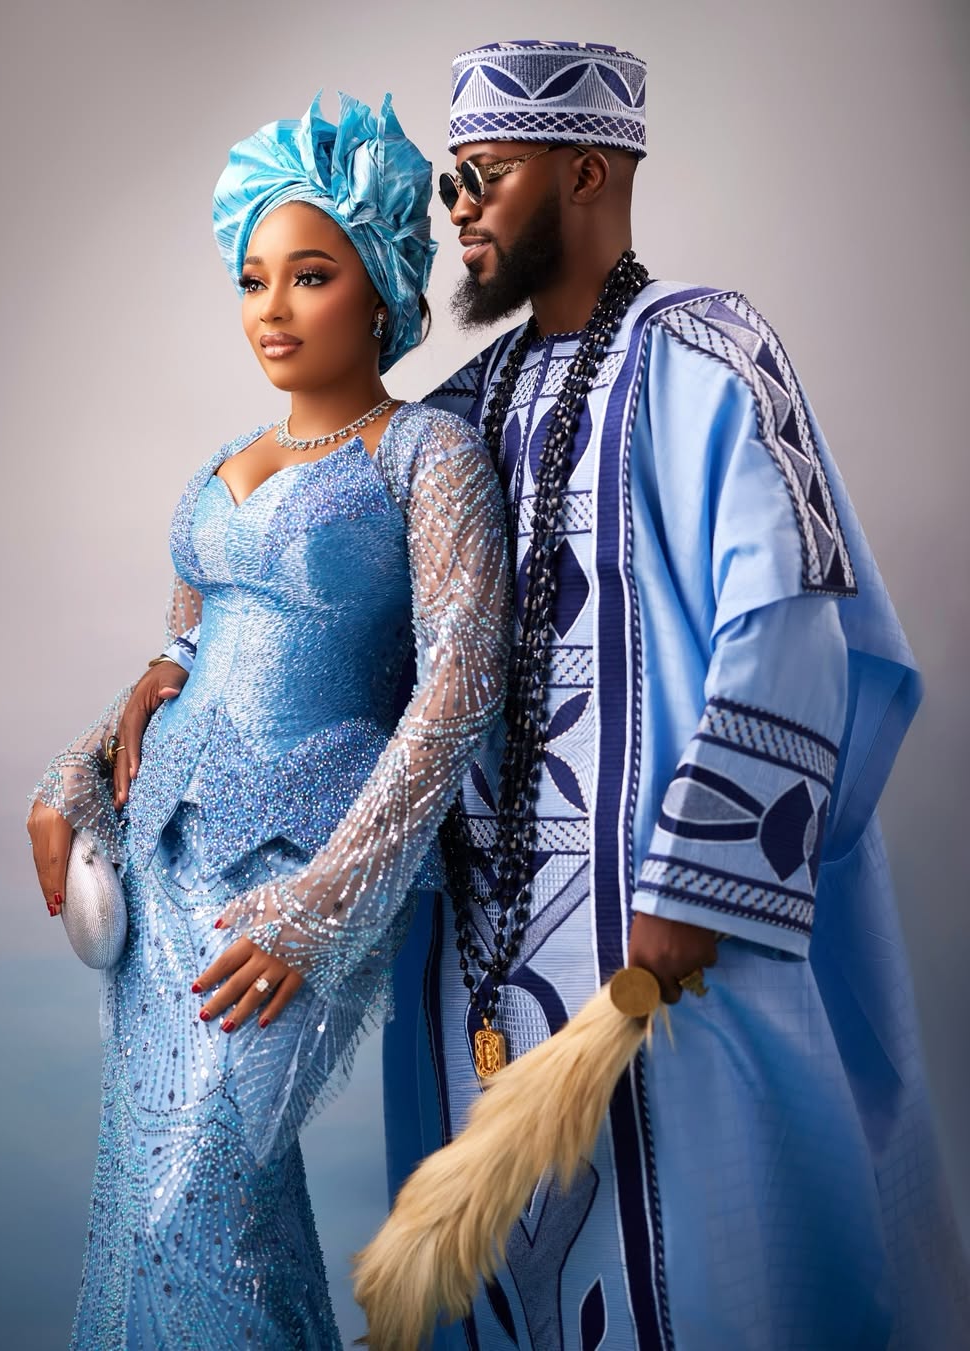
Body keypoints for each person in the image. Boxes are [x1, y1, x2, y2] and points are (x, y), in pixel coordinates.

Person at [377, 40, 969, 1351]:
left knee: (707, 1274)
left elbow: (790, 619)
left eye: (487, 173)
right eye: (447, 183)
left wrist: (697, 881)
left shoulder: (709, 353)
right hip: (480, 965)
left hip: (669, 955)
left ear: (585, 171)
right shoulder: (456, 413)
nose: (460, 205)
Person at [26, 91, 509, 1349]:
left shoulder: (428, 456)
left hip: (306, 868)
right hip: (165, 863)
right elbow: (183, 651)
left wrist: (326, 902)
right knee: (153, 1206)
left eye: (310, 273)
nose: (273, 308)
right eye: (254, 278)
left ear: (384, 283)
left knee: (208, 1192)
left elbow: (461, 686)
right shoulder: (218, 463)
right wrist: (82, 768)